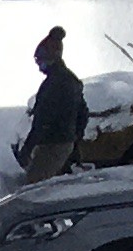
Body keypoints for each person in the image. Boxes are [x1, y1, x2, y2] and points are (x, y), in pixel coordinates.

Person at [18, 28, 90, 179]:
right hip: (64, 143)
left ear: (52, 59)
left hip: (53, 144)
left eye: (40, 61)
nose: (39, 67)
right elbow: (82, 114)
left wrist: (27, 149)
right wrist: (74, 140)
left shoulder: (55, 84)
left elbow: (43, 121)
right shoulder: (70, 80)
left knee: (35, 186)